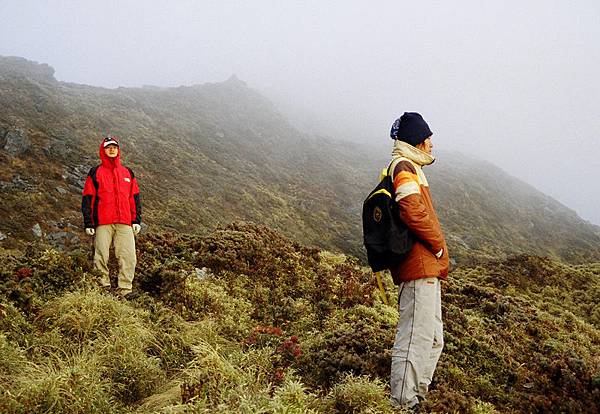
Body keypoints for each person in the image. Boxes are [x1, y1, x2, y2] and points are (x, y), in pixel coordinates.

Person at [387, 113, 449, 412]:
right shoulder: (404, 166)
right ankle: (403, 404)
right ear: (418, 141)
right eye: (428, 139)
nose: (432, 144)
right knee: (415, 339)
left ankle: (417, 399)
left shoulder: (411, 168)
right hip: (418, 265)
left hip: (426, 268)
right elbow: (411, 210)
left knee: (433, 338)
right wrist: (437, 247)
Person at [81, 135, 142, 298]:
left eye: (114, 147)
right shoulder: (95, 172)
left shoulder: (127, 172)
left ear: (118, 150)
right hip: (103, 222)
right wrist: (89, 222)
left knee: (128, 255)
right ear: (103, 150)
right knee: (101, 254)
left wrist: (136, 220)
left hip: (125, 221)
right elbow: (88, 197)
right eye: (108, 147)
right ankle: (103, 286)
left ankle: (125, 289)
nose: (112, 149)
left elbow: (134, 197)